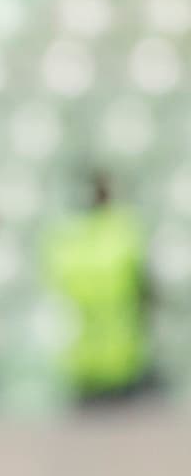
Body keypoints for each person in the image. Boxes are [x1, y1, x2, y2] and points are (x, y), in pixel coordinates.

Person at [43, 169, 155, 405]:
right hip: (114, 355)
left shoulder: (65, 234)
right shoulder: (124, 228)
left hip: (89, 358)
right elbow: (144, 283)